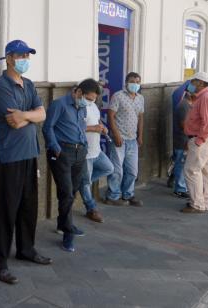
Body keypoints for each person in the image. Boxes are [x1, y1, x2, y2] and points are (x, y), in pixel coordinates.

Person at [0, 40, 51, 285]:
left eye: (28, 55)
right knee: (5, 211)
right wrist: (30, 117)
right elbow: (12, 122)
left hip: (29, 154)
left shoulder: (29, 85)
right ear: (10, 58)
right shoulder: (1, 87)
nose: (25, 59)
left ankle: (26, 249)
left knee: (28, 206)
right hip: (9, 157)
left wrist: (25, 115)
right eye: (21, 55)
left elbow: (42, 114)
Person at [43, 78, 102, 252]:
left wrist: (83, 146)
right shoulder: (59, 104)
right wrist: (55, 147)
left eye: (93, 100)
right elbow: (47, 127)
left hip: (79, 153)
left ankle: (63, 224)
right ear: (78, 92)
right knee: (66, 193)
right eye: (89, 98)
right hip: (62, 152)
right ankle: (68, 233)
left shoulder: (82, 107)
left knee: (74, 189)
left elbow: (80, 127)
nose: (90, 103)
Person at [106, 72, 145, 207]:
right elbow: (110, 116)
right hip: (119, 139)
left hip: (132, 140)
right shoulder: (118, 96)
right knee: (117, 170)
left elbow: (140, 117)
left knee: (132, 171)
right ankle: (113, 196)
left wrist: (140, 135)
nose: (135, 84)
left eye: (138, 82)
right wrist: (115, 134)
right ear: (127, 82)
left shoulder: (140, 98)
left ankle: (128, 194)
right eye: (132, 81)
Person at [181, 72, 208, 213]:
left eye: (194, 81)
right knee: (205, 172)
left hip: (201, 139)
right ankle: (204, 202)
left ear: (201, 83)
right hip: (203, 139)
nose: (191, 84)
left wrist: (199, 140)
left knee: (192, 171)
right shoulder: (204, 96)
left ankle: (197, 204)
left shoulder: (206, 97)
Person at [78, 95, 114, 223]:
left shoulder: (93, 106)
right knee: (86, 183)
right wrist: (93, 128)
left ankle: (81, 184)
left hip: (96, 149)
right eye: (92, 93)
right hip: (86, 152)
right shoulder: (80, 106)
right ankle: (91, 208)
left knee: (109, 168)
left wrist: (103, 127)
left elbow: (97, 122)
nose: (94, 97)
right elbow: (75, 127)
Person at [172, 82, 193, 199]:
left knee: (182, 163)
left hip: (187, 139)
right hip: (182, 140)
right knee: (181, 163)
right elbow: (184, 126)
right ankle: (179, 188)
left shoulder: (191, 104)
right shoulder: (183, 106)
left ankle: (180, 185)